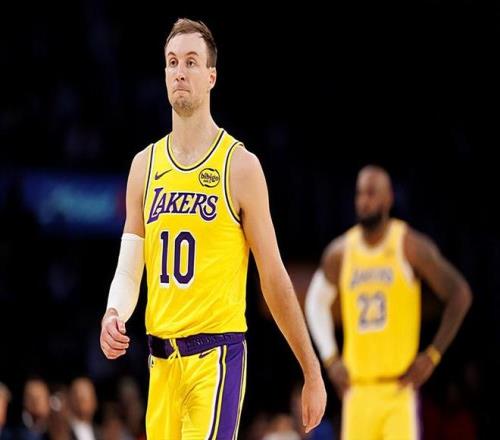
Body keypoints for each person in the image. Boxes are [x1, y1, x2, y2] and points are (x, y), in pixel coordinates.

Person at [100, 18, 326, 439]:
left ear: (211, 76)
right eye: (172, 62)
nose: (180, 71)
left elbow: (274, 276)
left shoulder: (240, 166)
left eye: (191, 61)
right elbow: (130, 268)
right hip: (160, 364)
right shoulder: (144, 166)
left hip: (215, 359)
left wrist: (310, 370)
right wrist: (114, 313)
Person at [305, 165, 472, 440]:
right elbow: (314, 304)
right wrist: (330, 358)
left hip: (399, 390)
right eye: (360, 193)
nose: (364, 201)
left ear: (388, 198)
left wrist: (433, 356)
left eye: (372, 193)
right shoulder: (341, 252)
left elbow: (459, 293)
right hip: (357, 390)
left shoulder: (408, 245)